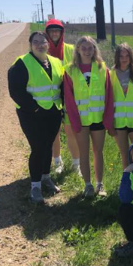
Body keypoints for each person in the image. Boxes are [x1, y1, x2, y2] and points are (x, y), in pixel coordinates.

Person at [8, 31, 64, 204]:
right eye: (36, 42)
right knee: (38, 147)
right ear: (31, 44)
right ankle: (35, 186)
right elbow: (15, 90)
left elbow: (62, 86)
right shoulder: (22, 63)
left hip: (53, 112)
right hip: (31, 114)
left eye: (43, 42)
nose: (40, 45)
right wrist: (34, 109)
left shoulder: (55, 62)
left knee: (48, 146)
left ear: (48, 44)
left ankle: (46, 177)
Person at [63, 36, 114, 198]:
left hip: (98, 119)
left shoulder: (102, 68)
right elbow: (69, 100)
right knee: (83, 153)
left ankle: (100, 184)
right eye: (83, 48)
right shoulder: (70, 70)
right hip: (81, 121)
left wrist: (108, 119)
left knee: (98, 152)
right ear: (77, 49)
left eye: (90, 48)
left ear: (94, 50)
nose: (87, 51)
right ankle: (88, 185)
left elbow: (109, 95)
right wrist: (74, 122)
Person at [44, 19, 78, 172]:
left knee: (70, 131)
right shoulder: (42, 50)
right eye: (51, 31)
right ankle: (57, 162)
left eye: (57, 30)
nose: (54, 33)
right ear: (47, 33)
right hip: (52, 95)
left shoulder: (71, 50)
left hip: (70, 95)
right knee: (54, 131)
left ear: (62, 32)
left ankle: (76, 164)